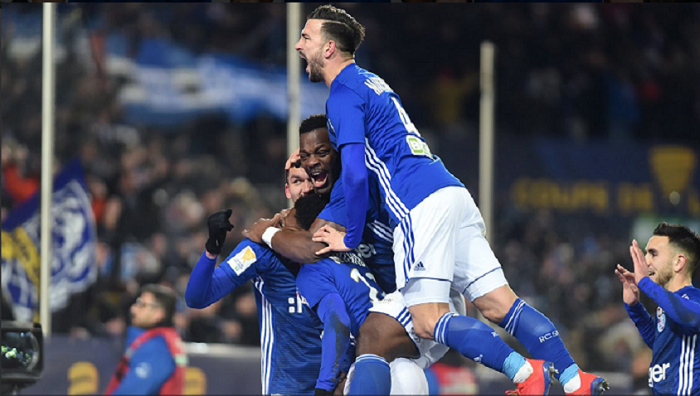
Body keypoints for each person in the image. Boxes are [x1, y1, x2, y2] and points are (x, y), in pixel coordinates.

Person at [292, 5, 607, 395]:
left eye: (305, 37)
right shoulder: (371, 81)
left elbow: (356, 173)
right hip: (451, 192)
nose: (297, 44)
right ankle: (576, 379)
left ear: (329, 48)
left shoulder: (341, 94)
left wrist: (352, 237)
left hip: (418, 203)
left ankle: (525, 373)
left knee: (427, 318)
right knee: (498, 304)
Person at [244, 117, 556, 395]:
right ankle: (555, 373)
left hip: (423, 287)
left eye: (321, 153)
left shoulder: (356, 185)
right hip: (399, 303)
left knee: (373, 336)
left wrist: (267, 233)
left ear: (340, 151)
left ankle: (524, 370)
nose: (312, 165)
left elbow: (311, 249)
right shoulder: (328, 202)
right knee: (396, 374)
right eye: (306, 158)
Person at [185, 117, 323, 395]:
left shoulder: (342, 240)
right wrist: (212, 249)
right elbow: (198, 297)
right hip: (287, 389)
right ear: (287, 189)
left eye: (311, 179)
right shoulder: (259, 247)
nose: (305, 188)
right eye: (297, 181)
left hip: (340, 385)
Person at [615, 222, 700, 395]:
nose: (646, 261)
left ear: (678, 262)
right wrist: (634, 308)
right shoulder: (667, 306)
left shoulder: (692, 299)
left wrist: (645, 283)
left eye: (653, 254)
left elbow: (693, 318)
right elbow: (660, 344)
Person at [105, 284, 186, 395]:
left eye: (141, 305)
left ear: (158, 314)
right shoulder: (160, 341)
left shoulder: (158, 347)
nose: (133, 309)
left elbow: (132, 391)